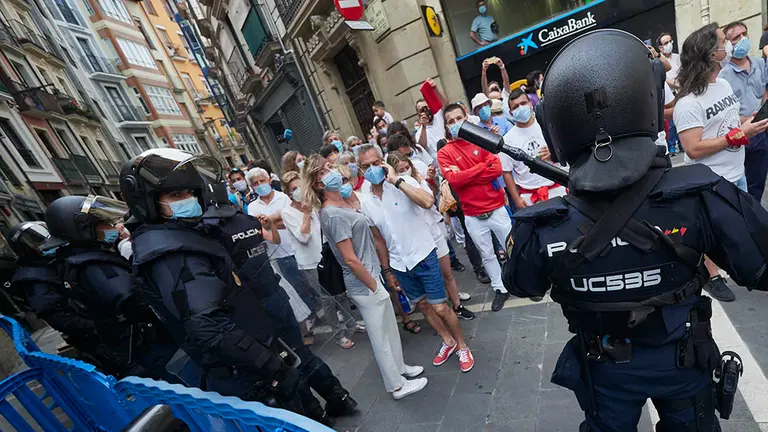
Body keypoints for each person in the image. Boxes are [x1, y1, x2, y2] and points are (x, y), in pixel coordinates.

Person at [503, 28, 768, 431]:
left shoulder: (540, 228)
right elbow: (760, 265)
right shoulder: (701, 195)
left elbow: (521, 285)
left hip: (606, 370)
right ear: (644, 101)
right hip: (682, 363)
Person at [120, 149, 343, 425]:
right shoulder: (170, 254)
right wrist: (269, 364)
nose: (188, 200)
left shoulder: (184, 237)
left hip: (253, 348)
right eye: (175, 196)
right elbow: (208, 326)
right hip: (244, 370)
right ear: (148, 201)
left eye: (189, 193)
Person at [305, 154, 429, 400]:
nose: (331, 172)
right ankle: (395, 385)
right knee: (379, 335)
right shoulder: (332, 214)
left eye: (329, 167)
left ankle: (400, 369)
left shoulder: (341, 205)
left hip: (370, 278)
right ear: (318, 184)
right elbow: (350, 258)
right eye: (324, 171)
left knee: (389, 329)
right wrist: (374, 285)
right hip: (364, 283)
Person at [674, 23, 768, 302]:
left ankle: (747, 266)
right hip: (711, 182)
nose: (727, 46)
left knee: (742, 225)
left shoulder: (724, 84)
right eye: (721, 42)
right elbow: (692, 148)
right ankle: (712, 276)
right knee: (711, 234)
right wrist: (739, 135)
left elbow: (729, 119)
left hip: (737, 172)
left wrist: (748, 122)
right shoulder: (688, 104)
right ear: (709, 54)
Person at [42, 196, 180, 382]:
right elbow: (134, 301)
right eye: (103, 223)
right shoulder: (95, 266)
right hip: (148, 342)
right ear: (82, 228)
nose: (111, 227)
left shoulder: (73, 260)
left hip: (128, 341)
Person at [8, 221, 132, 376]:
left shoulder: (54, 262)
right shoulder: (33, 278)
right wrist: (95, 326)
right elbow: (57, 315)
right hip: (97, 338)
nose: (45, 242)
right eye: (36, 241)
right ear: (24, 249)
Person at [439, 103, 512, 312]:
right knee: (487, 255)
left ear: (466, 118)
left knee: (512, 248)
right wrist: (481, 168)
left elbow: (496, 168)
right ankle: (500, 288)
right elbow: (454, 180)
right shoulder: (445, 153)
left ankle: (521, 281)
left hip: (497, 208)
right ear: (446, 126)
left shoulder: (483, 139)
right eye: (450, 121)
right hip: (472, 215)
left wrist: (468, 173)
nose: (455, 124)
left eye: (458, 118)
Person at [387, 151, 475, 320]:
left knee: (447, 273)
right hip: (419, 240)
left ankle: (456, 305)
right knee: (432, 278)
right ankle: (442, 309)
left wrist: (428, 182)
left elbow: (432, 199)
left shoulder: (418, 179)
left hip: (435, 232)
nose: (406, 171)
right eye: (401, 170)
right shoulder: (397, 189)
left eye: (407, 167)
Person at [280, 171, 359, 349]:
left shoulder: (314, 204)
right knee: (328, 299)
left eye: (301, 186)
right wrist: (307, 214)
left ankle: (351, 324)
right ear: (288, 192)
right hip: (310, 262)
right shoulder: (287, 212)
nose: (299, 191)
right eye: (294, 188)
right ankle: (339, 334)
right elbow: (303, 237)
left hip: (327, 256)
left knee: (341, 292)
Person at [246, 167, 319, 323]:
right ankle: (311, 315)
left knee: (313, 283)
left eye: (262, 181)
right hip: (279, 253)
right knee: (297, 286)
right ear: (252, 187)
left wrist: (270, 221)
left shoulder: (284, 198)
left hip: (298, 248)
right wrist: (277, 220)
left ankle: (325, 308)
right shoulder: (252, 207)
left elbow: (292, 220)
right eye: (256, 183)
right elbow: (258, 228)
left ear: (269, 181)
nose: (260, 184)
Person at [718, 21, 768, 203]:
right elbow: (723, 114)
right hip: (738, 135)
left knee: (757, 182)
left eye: (744, 34)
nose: (743, 39)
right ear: (728, 44)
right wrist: (747, 120)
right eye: (736, 37)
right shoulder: (723, 77)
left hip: (761, 134)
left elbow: (764, 91)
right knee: (739, 184)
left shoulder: (760, 64)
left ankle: (754, 215)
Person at [502, 89, 568, 208]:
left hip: (558, 188)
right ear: (511, 113)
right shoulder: (507, 139)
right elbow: (506, 172)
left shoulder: (548, 125)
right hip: (530, 197)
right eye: (515, 107)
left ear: (530, 103)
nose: (520, 108)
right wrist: (516, 199)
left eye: (523, 103)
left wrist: (553, 152)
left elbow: (567, 147)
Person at [415, 79, 449, 160]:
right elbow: (422, 145)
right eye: (422, 110)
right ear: (418, 114)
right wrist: (423, 126)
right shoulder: (420, 132)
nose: (425, 111)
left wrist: (435, 88)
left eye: (426, 108)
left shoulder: (438, 116)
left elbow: (445, 103)